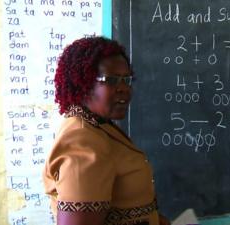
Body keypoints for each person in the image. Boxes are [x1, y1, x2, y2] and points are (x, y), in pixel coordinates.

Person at [42, 36, 170, 225]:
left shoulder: (99, 126)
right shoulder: (81, 142)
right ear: (83, 83)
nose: (124, 89)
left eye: (126, 80)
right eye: (110, 80)